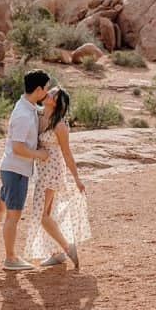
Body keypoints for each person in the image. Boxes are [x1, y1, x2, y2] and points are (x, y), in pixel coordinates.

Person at [0, 69, 51, 271]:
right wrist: (40, 154)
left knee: (2, 206)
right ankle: (10, 258)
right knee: (13, 215)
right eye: (46, 88)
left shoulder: (27, 107)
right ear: (38, 89)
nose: (47, 91)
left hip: (12, 169)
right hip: (16, 171)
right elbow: (18, 147)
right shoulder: (23, 115)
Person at [23, 87, 91, 269]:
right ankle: (57, 254)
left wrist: (76, 178)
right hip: (41, 170)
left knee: (42, 215)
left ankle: (68, 248)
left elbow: (67, 153)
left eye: (53, 94)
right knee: (49, 213)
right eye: (50, 91)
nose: (49, 94)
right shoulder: (37, 115)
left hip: (53, 171)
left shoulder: (59, 125)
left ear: (57, 103)